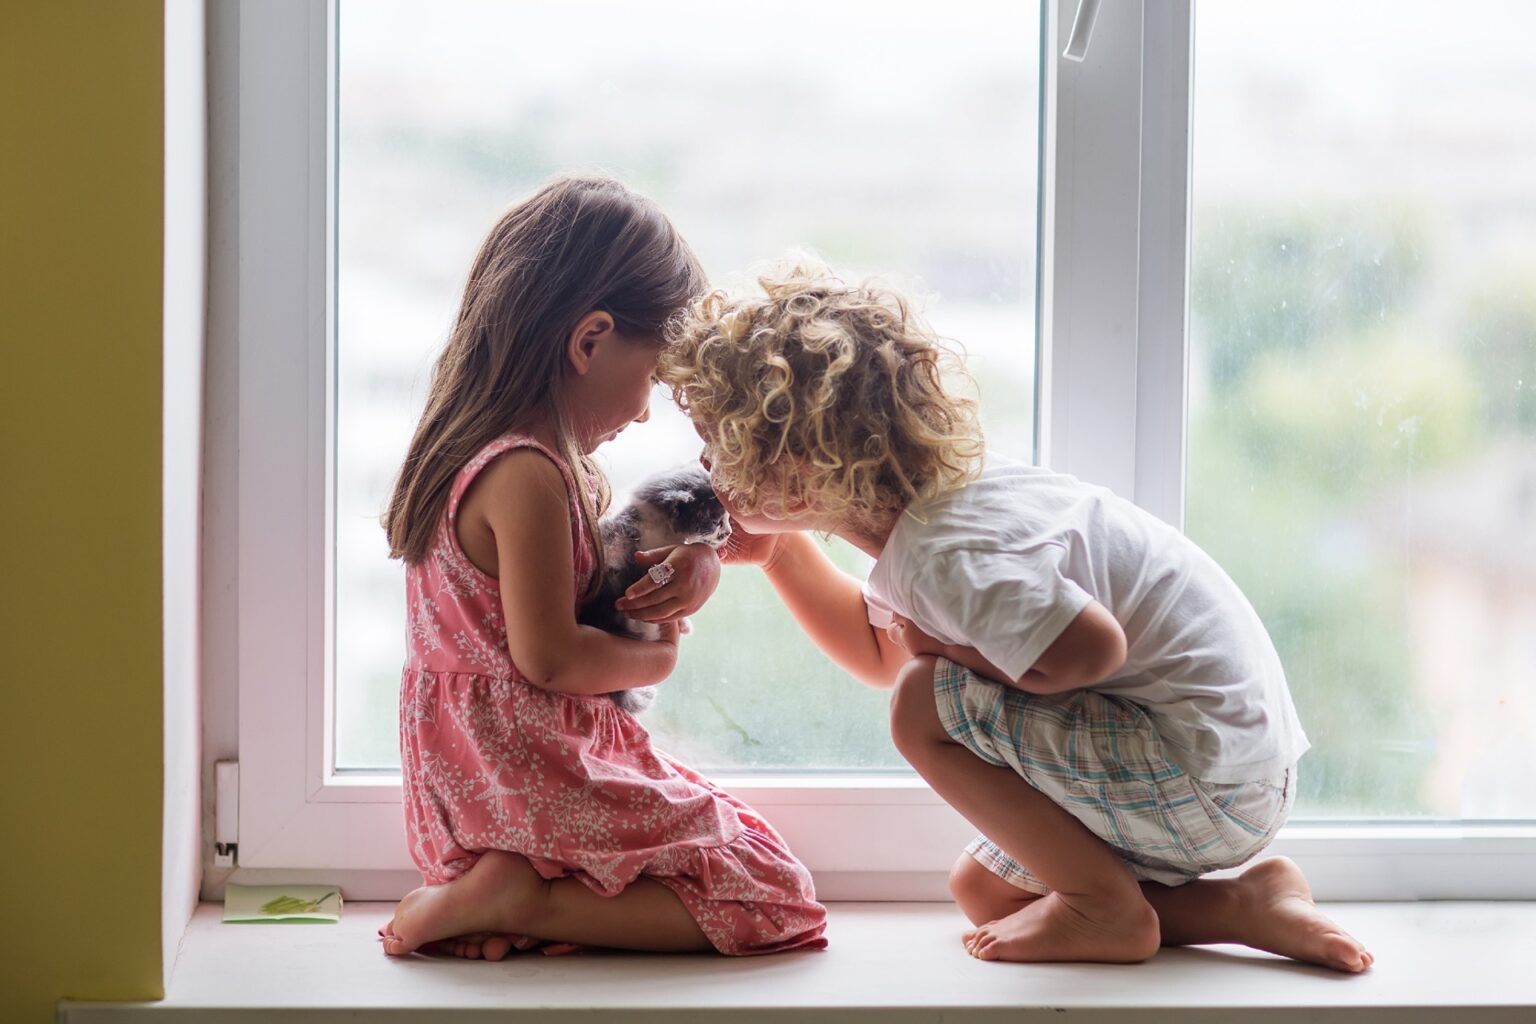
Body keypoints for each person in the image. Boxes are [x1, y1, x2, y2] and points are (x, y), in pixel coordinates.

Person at [658, 257, 1372, 971]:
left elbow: (1092, 649)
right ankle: (1242, 905)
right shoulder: (938, 514)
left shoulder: (949, 553)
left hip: (1207, 780)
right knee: (985, 893)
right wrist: (783, 557)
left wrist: (953, 656)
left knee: (919, 705)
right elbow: (881, 651)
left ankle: (1107, 910)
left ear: (799, 468)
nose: (705, 460)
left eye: (718, 440)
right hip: (1229, 767)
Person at [378, 178, 827, 960]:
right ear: (589, 342)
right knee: (773, 893)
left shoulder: (494, 459)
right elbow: (551, 657)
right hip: (530, 777)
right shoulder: (529, 476)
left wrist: (700, 569)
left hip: (476, 792)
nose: (650, 410)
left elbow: (601, 584)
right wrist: (662, 653)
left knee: (731, 843)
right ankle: (536, 898)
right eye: (653, 378)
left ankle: (506, 897)